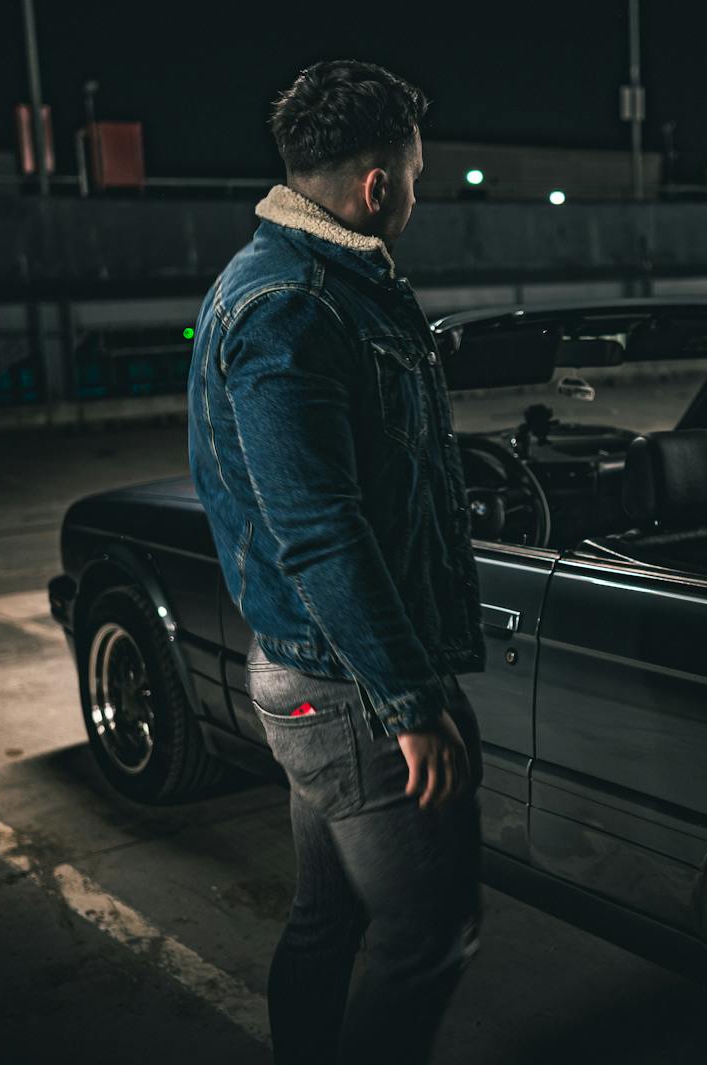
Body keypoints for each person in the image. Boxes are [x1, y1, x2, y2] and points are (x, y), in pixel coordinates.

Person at [185, 59, 486, 1064]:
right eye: (415, 172)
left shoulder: (295, 284)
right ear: (375, 185)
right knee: (430, 935)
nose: (417, 191)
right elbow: (319, 529)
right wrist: (409, 701)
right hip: (344, 685)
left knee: (330, 922)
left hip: (324, 676)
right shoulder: (294, 306)